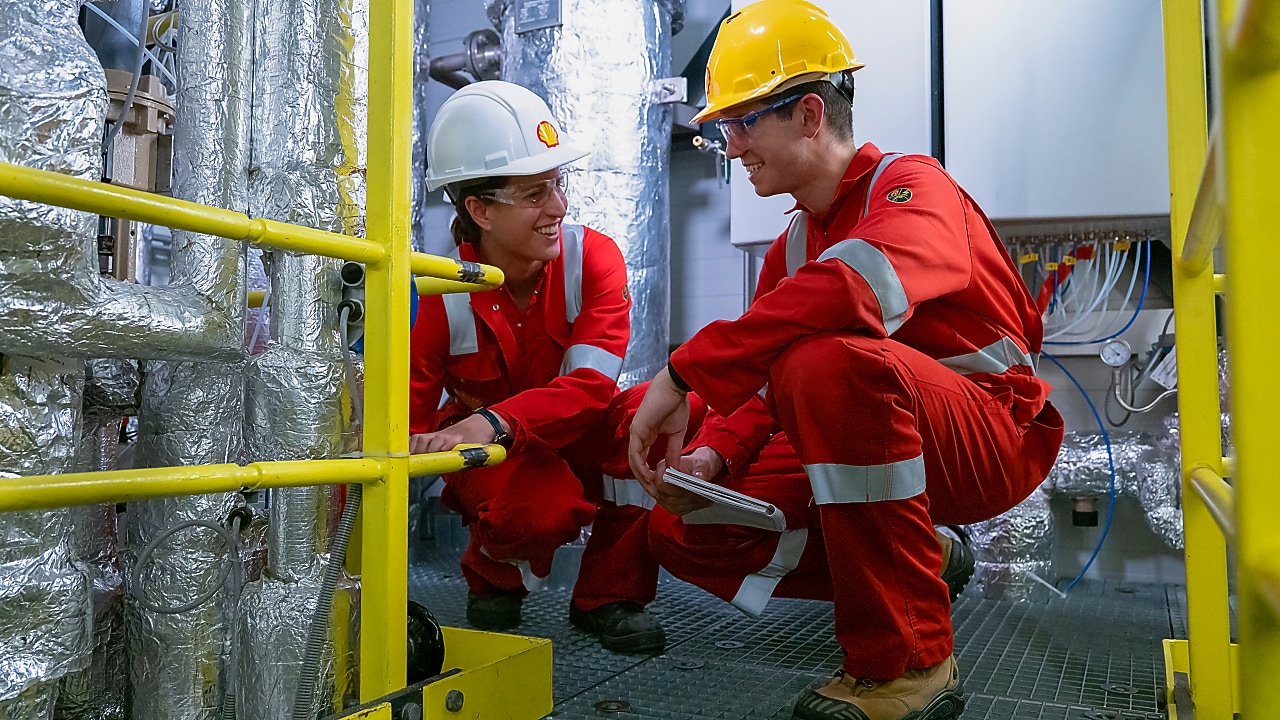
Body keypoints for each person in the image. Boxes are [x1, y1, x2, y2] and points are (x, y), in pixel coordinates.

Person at [626, 2, 1065, 719]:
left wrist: (683, 370)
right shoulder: (791, 246)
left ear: (806, 114)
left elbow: (856, 292)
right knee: (685, 527)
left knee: (826, 363)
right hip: (878, 427)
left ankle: (911, 662)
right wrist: (713, 459)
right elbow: (771, 388)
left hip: (989, 435)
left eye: (741, 124)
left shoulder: (912, 187)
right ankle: (926, 559)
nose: (731, 148)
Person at [409, 80, 665, 653]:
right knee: (539, 514)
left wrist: (493, 422)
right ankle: (494, 571)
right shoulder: (436, 290)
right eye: (533, 195)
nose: (559, 208)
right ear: (480, 210)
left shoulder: (592, 258)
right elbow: (408, 422)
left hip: (568, 426)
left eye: (557, 185)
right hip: (492, 451)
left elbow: (592, 387)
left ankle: (609, 595)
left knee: (664, 413)